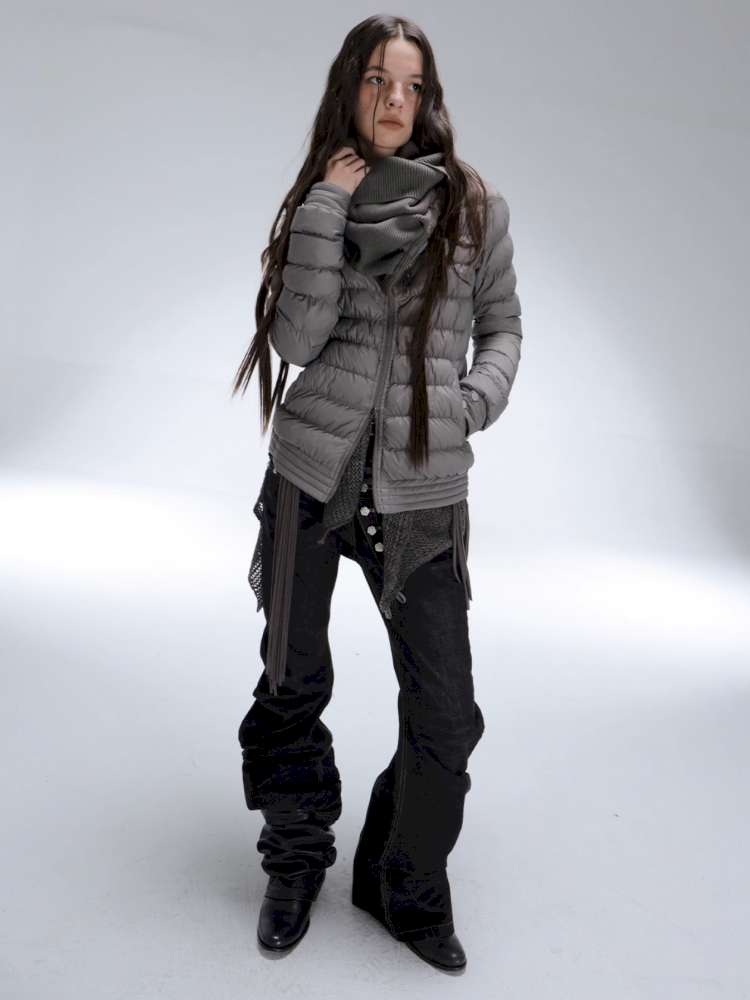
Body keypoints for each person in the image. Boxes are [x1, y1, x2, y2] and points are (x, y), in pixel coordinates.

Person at [231, 15, 522, 972]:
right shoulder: (323, 194)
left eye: (412, 84)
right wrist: (326, 206)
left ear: (428, 96)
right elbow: (296, 341)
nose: (395, 100)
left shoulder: (474, 207)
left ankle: (404, 881)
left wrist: (471, 404)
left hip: (421, 492)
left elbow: (503, 325)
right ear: (349, 89)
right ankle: (294, 859)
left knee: (447, 715)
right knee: (291, 685)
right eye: (376, 80)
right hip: (311, 477)